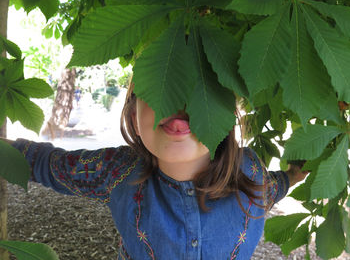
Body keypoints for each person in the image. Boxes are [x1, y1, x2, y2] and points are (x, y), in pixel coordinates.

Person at [1, 82, 308, 259]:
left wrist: (293, 176)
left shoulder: (249, 167)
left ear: (227, 113)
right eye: (157, 82)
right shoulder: (118, 171)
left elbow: (270, 189)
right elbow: (46, 164)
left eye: (198, 85)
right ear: (133, 116)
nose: (176, 98)